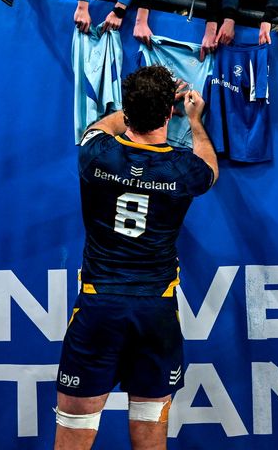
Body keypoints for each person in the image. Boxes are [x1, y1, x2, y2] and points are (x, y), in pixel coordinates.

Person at [53, 65, 217, 450]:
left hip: (98, 310)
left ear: (127, 112)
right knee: (150, 444)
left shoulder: (95, 154)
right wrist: (194, 119)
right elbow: (210, 167)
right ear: (168, 114)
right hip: (154, 316)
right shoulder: (183, 169)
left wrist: (128, 111)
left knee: (71, 442)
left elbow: (98, 128)